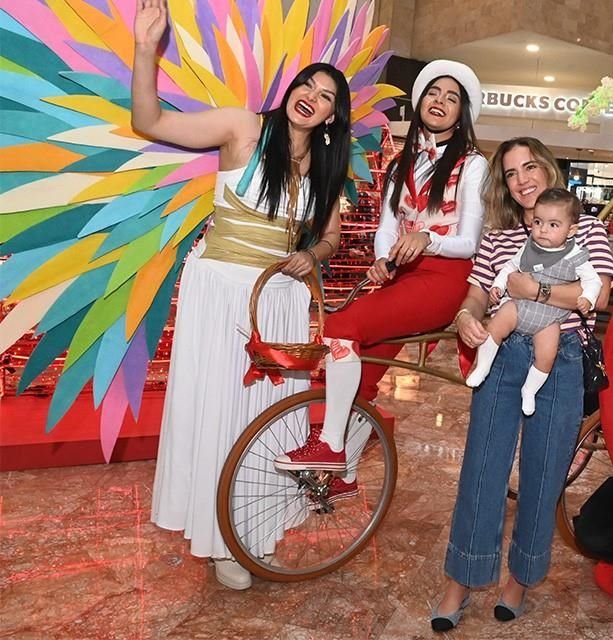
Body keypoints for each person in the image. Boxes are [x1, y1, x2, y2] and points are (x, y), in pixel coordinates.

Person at [133, 0, 352, 590]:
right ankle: (217, 539)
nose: (311, 94)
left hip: (279, 300)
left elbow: (329, 236)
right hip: (221, 293)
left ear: (334, 115)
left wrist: (313, 255)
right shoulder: (242, 126)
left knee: (268, 420)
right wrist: (144, 48)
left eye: (326, 93)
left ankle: (253, 530)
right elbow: (150, 123)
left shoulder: (329, 164)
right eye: (306, 83)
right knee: (220, 411)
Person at [430, 137, 613, 632]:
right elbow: (475, 295)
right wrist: (466, 318)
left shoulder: (587, 229)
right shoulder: (499, 236)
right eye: (511, 173)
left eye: (529, 167)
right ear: (505, 186)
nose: (523, 179)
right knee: (482, 468)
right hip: (502, 352)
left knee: (543, 475)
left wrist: (531, 289)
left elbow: (595, 297)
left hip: (561, 357)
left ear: (547, 168)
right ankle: (461, 577)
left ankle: (520, 578)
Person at [273, 60, 488, 477]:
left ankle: (331, 446)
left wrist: (429, 239)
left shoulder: (473, 163)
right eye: (433, 93)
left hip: (444, 279)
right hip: (405, 278)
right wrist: (382, 261)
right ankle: (345, 476)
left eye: (451, 98)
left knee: (341, 326)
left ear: (462, 113)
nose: (440, 102)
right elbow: (387, 228)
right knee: (365, 373)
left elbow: (470, 242)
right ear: (420, 100)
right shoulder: (400, 162)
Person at [465, 188, 602, 415]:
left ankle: (530, 390)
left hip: (549, 319)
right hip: (519, 308)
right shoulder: (529, 246)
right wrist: (498, 286)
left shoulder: (576, 254)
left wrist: (587, 298)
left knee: (546, 355)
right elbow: (510, 266)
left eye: (553, 225)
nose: (542, 230)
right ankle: (483, 366)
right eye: (538, 222)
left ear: (571, 230)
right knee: (497, 325)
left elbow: (593, 280)